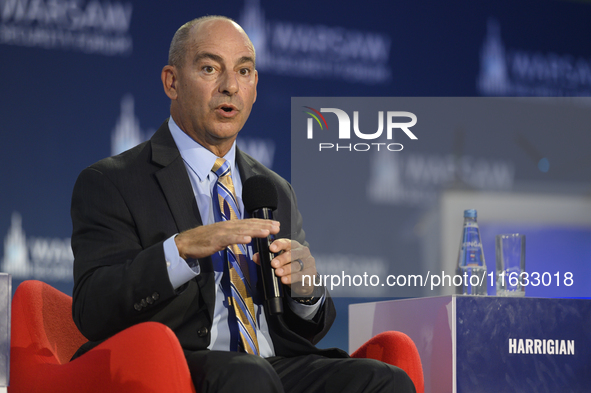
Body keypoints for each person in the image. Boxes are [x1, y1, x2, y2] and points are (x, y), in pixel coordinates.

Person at [70, 15, 415, 393]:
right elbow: (93, 309)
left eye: (244, 71)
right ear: (172, 82)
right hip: (180, 364)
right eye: (209, 68)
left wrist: (306, 291)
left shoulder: (272, 189)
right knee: (248, 374)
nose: (230, 86)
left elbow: (305, 329)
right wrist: (180, 250)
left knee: (385, 380)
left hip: (274, 364)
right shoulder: (113, 181)